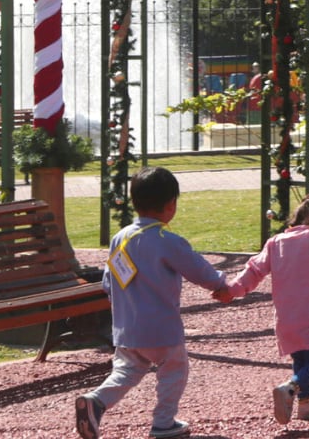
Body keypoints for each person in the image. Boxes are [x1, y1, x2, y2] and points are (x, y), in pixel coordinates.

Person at [75, 167, 233, 439]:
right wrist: (220, 283)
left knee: (127, 370)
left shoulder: (120, 238)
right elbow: (198, 270)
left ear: (134, 201)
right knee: (174, 370)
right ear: (171, 204)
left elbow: (108, 282)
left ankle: (97, 401)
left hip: (126, 328)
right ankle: (163, 422)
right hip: (161, 328)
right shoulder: (166, 240)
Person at [222, 193, 309, 424]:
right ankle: (291, 387)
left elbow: (254, 270)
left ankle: (306, 403)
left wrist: (232, 290)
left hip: (287, 319)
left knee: (300, 360)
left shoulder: (275, 243)